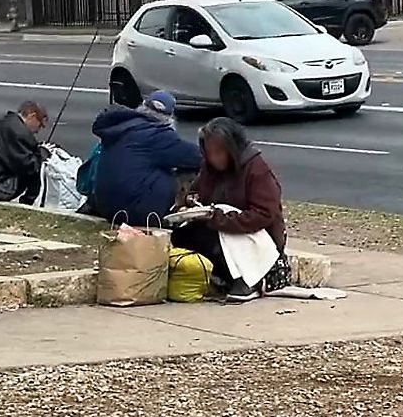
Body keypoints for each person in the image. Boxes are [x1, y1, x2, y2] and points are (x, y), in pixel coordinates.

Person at [171, 116, 291, 300]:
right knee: (182, 235)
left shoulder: (256, 169)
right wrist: (189, 201)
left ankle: (247, 280)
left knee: (220, 237)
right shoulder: (210, 169)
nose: (214, 158)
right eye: (209, 153)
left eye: (219, 152)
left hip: (257, 236)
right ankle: (218, 275)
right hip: (221, 226)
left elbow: (263, 215)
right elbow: (197, 192)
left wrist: (218, 218)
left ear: (232, 148)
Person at [91, 91, 202, 225]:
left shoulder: (124, 127)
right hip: (137, 212)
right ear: (169, 116)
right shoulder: (157, 135)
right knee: (190, 170)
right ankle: (177, 216)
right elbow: (197, 157)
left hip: (105, 206)